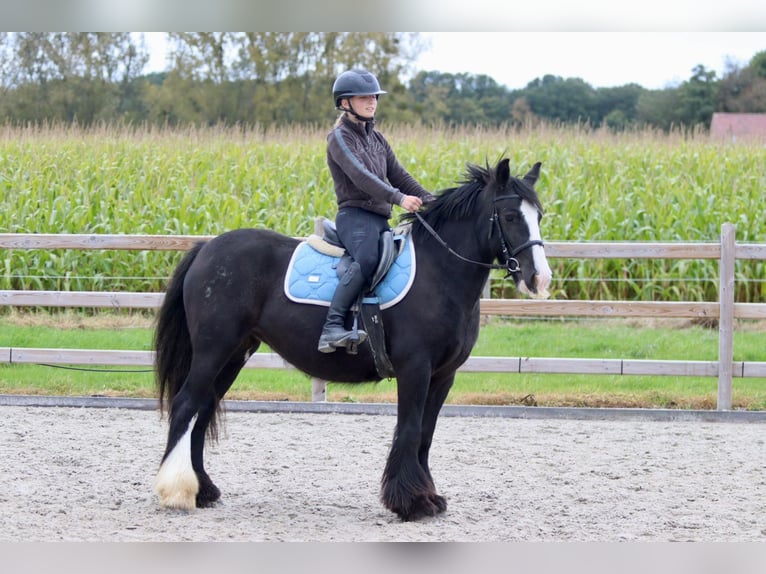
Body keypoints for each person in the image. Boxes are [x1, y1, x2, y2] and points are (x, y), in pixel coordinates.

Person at [317, 68, 434, 353]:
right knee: (367, 258)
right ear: (345, 103)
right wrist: (399, 199)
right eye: (363, 97)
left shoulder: (378, 140)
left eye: (374, 97)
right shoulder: (339, 137)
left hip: (380, 219)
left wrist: (435, 201)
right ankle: (331, 327)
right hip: (355, 218)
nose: (372, 102)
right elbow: (361, 177)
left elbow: (401, 176)